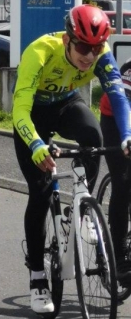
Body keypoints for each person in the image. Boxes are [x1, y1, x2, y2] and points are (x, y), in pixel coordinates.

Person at [12, 4, 131, 315]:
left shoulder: (101, 54)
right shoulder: (40, 51)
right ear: (68, 39)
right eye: (83, 47)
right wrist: (36, 144)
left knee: (94, 138)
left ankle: (80, 208)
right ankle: (38, 277)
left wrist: (127, 134)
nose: (90, 56)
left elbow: (118, 96)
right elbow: (20, 109)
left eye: (96, 48)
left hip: (66, 105)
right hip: (33, 113)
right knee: (39, 192)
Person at [100, 58, 131, 286]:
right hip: (116, 120)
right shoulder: (129, 68)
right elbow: (124, 105)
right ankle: (119, 257)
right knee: (122, 184)